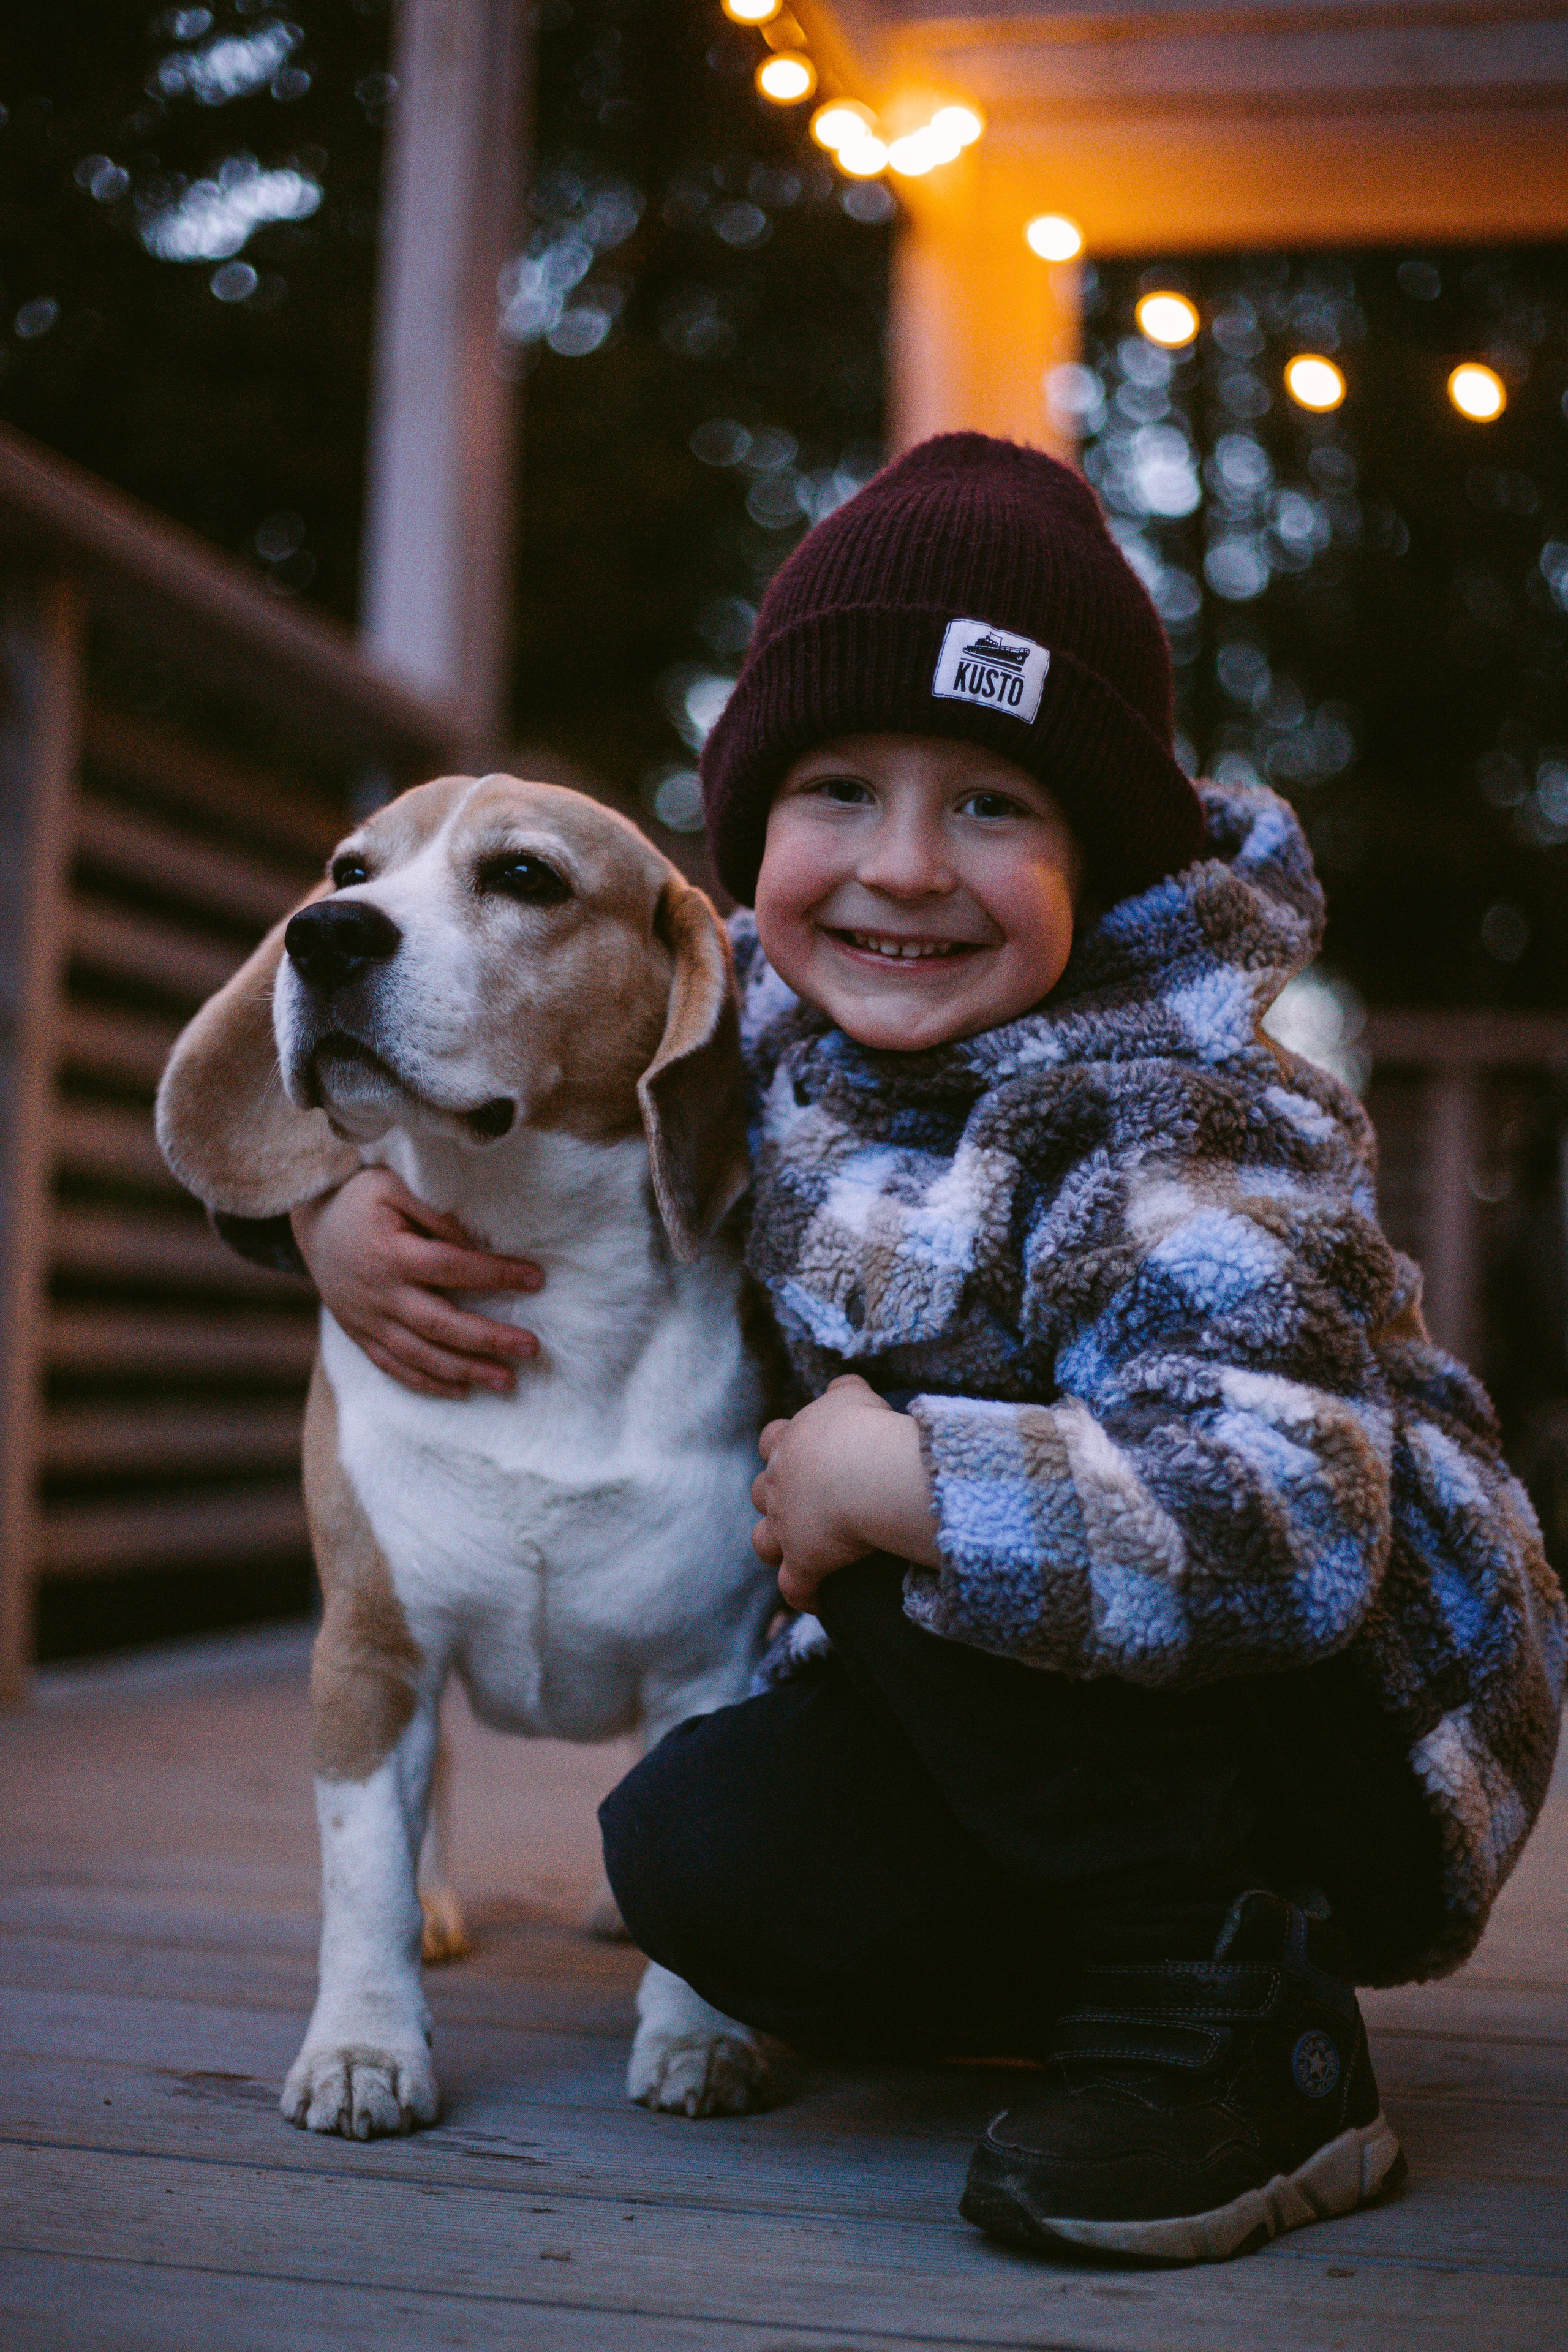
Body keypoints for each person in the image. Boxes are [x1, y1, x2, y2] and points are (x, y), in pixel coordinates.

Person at [246, 436, 1564, 2264]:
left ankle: (1234, 2024)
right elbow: (429, 1027)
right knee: (702, 1863)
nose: (904, 868)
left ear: (1103, 857)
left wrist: (912, 1479)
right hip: (1050, 1680)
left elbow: (1288, 1525)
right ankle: (1073, 1962)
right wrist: (316, 1210)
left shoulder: (1182, 1120)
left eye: (995, 806)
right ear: (756, 841)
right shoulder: (773, 1018)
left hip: (1348, 1725)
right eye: (841, 790)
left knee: (883, 1447)